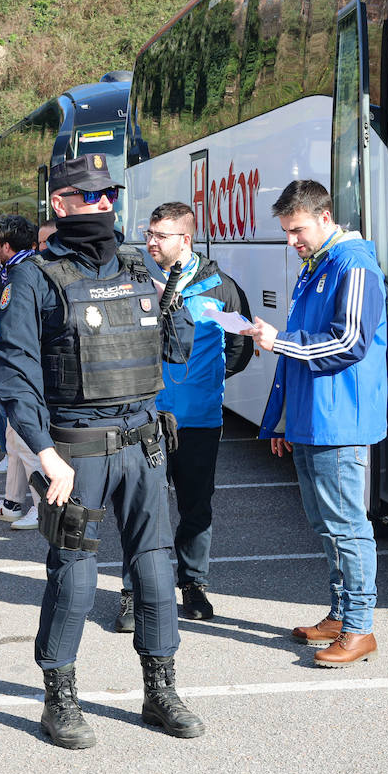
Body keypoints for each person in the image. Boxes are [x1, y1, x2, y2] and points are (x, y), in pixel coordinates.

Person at [0, 153, 203, 749]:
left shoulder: (138, 265)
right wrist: (43, 453)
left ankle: (160, 690)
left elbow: (177, 351)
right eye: (89, 196)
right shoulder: (35, 276)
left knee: (157, 575)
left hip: (143, 445)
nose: (103, 204)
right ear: (60, 204)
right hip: (77, 452)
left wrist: (177, 292)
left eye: (109, 194)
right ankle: (60, 697)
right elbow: (14, 377)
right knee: (76, 580)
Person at [246, 179, 388, 667]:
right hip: (314, 418)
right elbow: (309, 345)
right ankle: (341, 614)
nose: (292, 241)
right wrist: (285, 421)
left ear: (325, 218)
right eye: (287, 231)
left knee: (347, 527)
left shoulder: (353, 264)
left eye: (298, 229)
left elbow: (349, 342)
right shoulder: (319, 263)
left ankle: (359, 628)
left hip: (339, 420)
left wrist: (278, 341)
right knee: (326, 525)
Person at [111, 202, 252, 632]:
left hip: (199, 419)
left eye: (161, 235)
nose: (152, 242)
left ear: (185, 239)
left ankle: (193, 585)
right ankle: (134, 593)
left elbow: (240, 346)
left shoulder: (219, 286)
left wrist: (206, 379)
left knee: (195, 507)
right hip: (144, 418)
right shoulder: (131, 284)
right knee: (141, 509)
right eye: (149, 234)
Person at [0, 214, 41, 529]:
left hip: (23, 370)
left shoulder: (22, 274)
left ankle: (44, 506)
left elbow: (18, 327)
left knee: (27, 441)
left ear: (6, 245)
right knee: (15, 441)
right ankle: (13, 502)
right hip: (19, 367)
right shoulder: (21, 270)